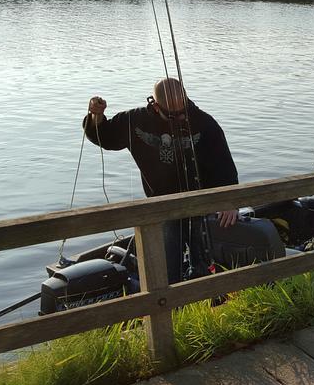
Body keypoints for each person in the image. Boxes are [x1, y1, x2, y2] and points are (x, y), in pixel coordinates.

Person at [84, 77, 240, 283]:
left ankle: (204, 297)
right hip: (162, 206)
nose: (181, 116)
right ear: (155, 105)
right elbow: (104, 136)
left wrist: (231, 201)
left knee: (204, 263)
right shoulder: (135, 121)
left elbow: (225, 165)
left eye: (182, 109)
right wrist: (97, 115)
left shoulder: (204, 123)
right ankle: (171, 305)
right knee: (167, 267)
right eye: (173, 114)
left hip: (202, 203)